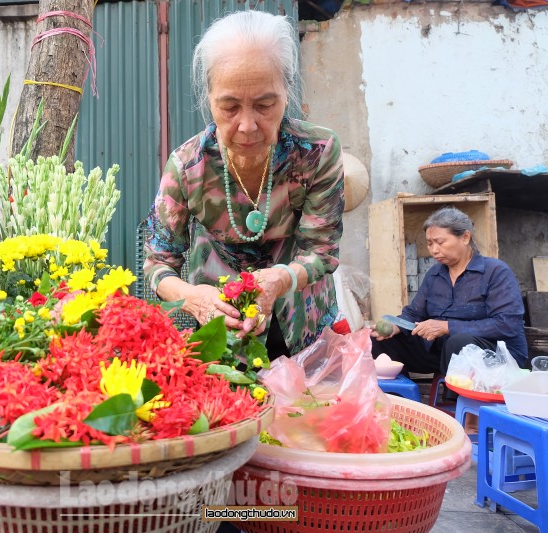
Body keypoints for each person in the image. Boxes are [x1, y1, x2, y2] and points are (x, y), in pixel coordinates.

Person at [142, 10, 345, 359]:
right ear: (208, 98)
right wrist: (192, 297)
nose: (248, 125)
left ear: (286, 91)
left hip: (304, 327)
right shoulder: (189, 166)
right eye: (230, 107)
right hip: (221, 330)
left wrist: (280, 279)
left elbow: (322, 250)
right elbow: (157, 263)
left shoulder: (316, 153)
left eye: (265, 105)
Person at [371, 206, 528, 374]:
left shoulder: (495, 272)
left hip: (496, 354)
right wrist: (396, 327)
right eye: (430, 243)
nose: (434, 250)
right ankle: (398, 396)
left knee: (459, 342)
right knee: (379, 340)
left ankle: (456, 400)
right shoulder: (435, 274)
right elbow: (414, 314)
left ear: (465, 237)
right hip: (442, 351)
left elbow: (507, 325)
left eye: (440, 242)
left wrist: (447, 327)